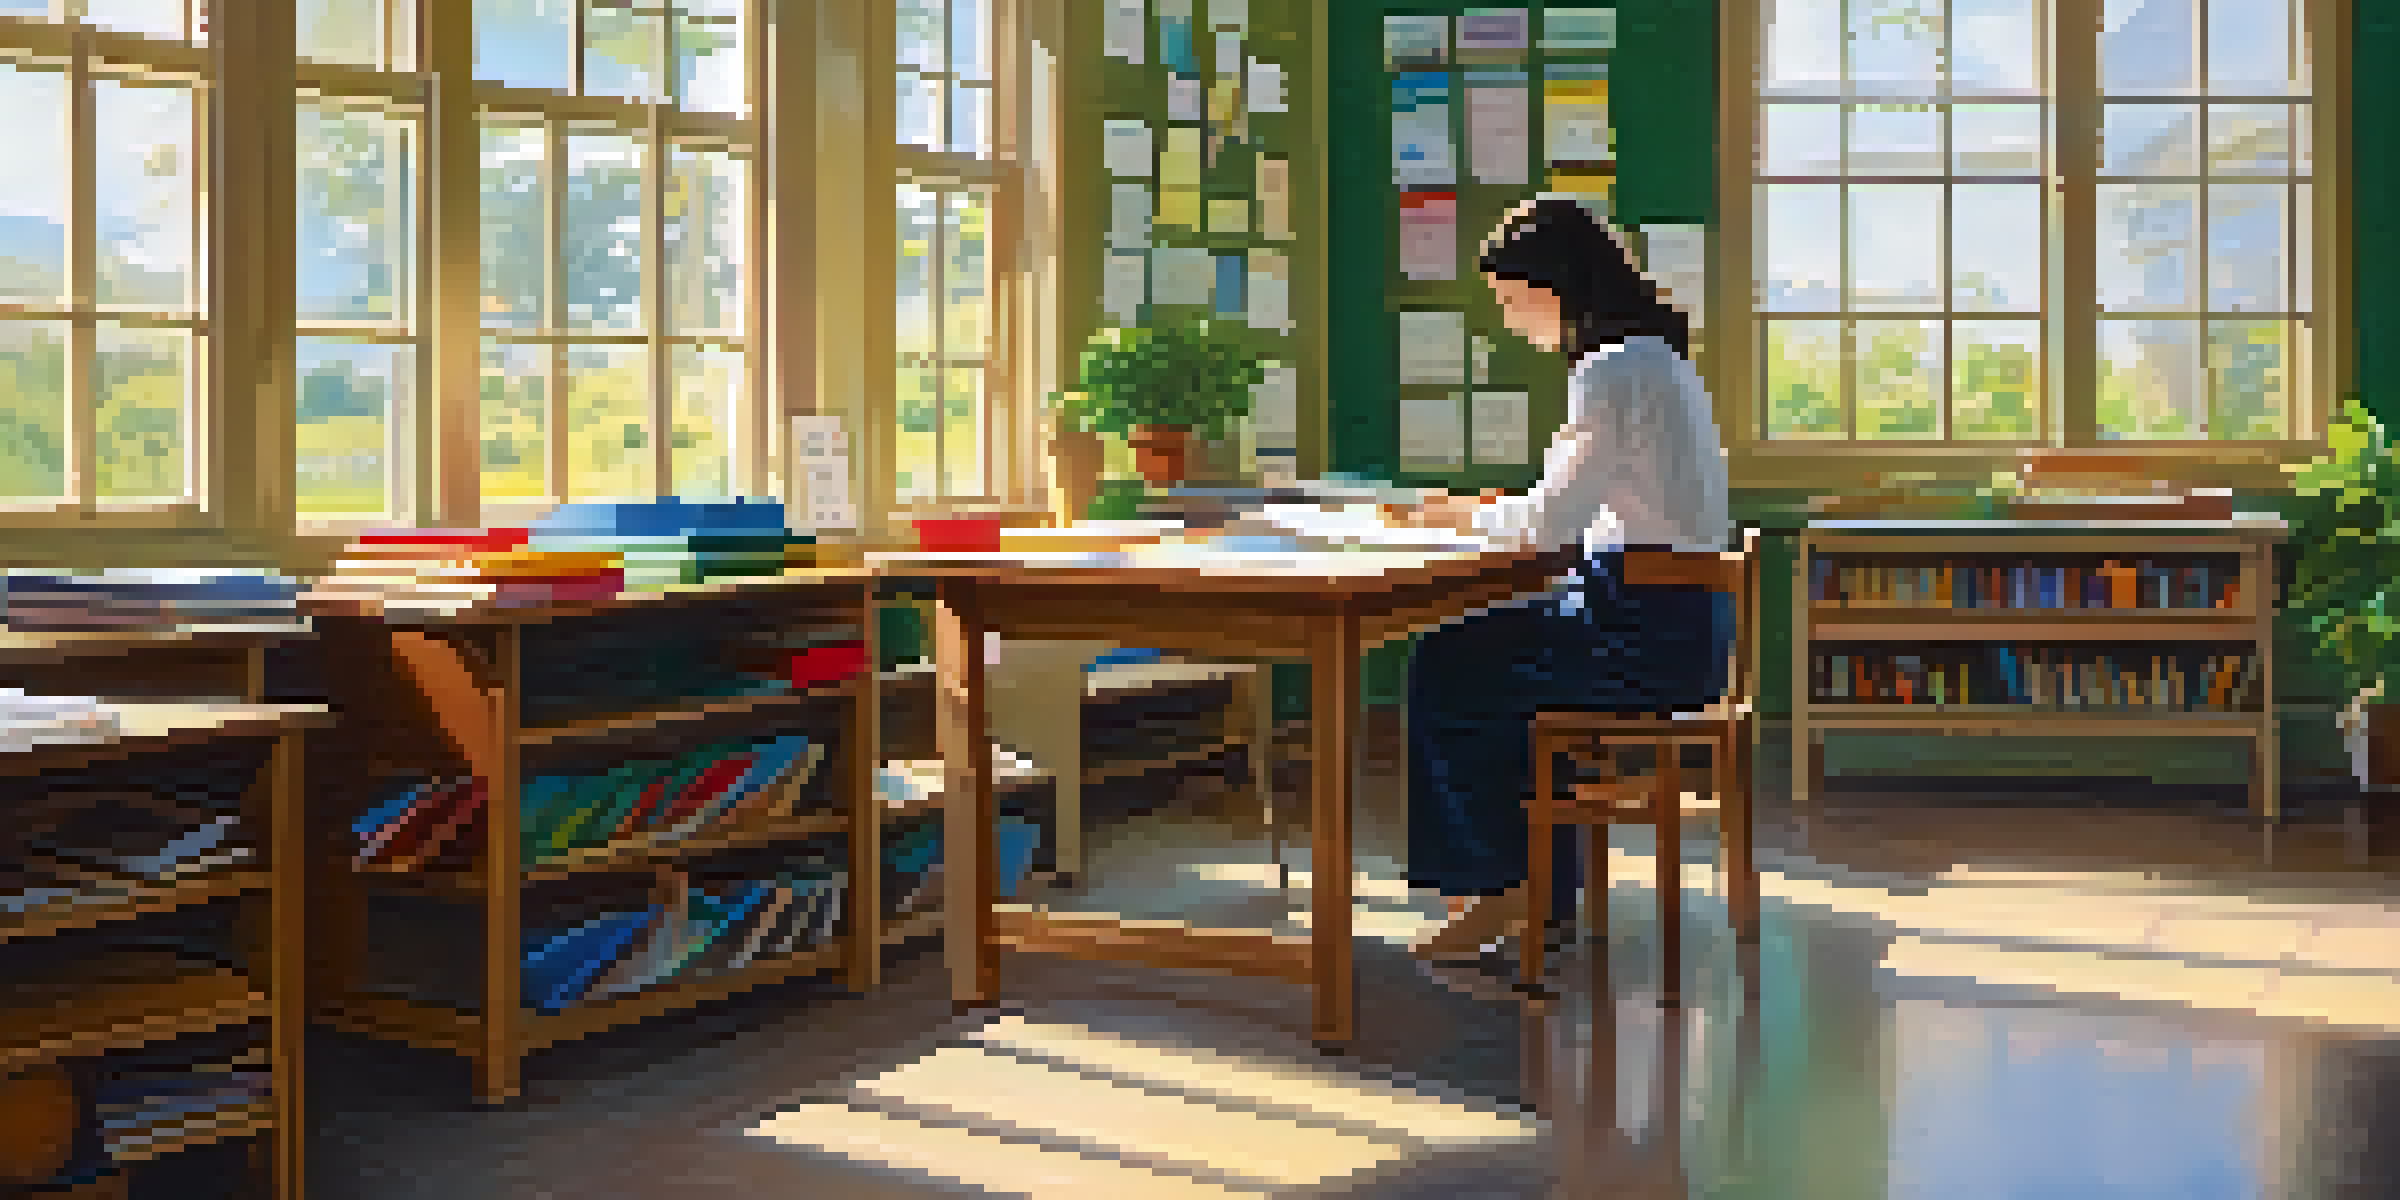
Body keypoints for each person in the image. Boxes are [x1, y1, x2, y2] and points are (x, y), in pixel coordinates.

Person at [1384, 196, 1734, 961]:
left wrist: (1456, 520)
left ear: (1554, 288)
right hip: (1681, 623)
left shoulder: (1611, 371)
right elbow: (1582, 509)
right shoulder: (1657, 361)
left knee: (1450, 660)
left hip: (1645, 632)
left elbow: (1552, 526)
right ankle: (1529, 883)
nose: (1510, 320)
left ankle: (1506, 884)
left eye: (1511, 300)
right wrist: (1502, 512)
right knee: (1489, 655)